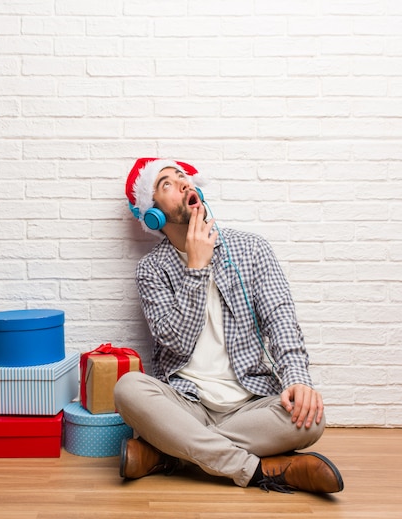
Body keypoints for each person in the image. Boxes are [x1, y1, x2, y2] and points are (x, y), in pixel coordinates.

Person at [114, 157, 344, 494]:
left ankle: (170, 454)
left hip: (251, 405)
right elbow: (175, 342)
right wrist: (196, 267)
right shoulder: (151, 270)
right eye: (166, 183)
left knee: (312, 420)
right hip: (187, 406)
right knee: (128, 389)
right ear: (153, 214)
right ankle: (258, 471)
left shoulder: (251, 249)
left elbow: (281, 320)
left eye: (183, 177)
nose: (182, 183)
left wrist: (298, 379)